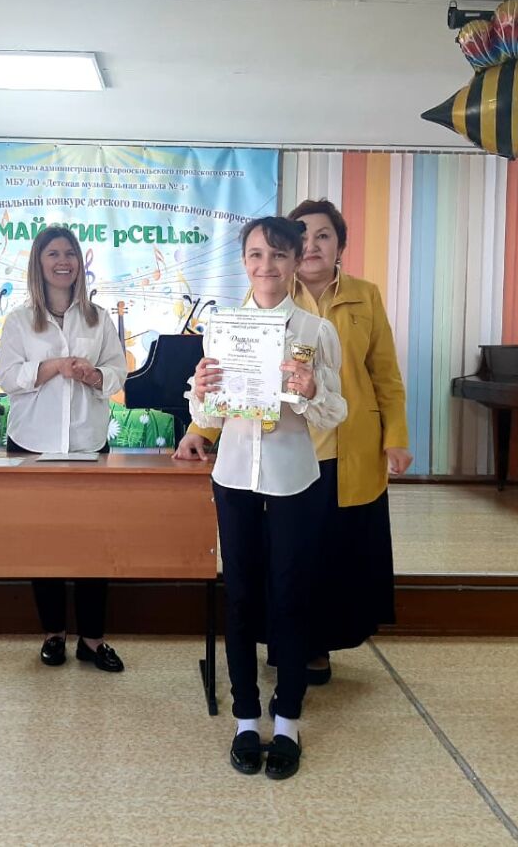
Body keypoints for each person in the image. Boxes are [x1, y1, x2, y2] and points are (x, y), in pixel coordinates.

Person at [176, 198, 410, 684]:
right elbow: (232, 374)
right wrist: (200, 429)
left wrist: (396, 437)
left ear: (339, 245)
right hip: (284, 448)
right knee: (281, 555)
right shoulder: (265, 295)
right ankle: (281, 645)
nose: (313, 244)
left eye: (325, 235)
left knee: (332, 552)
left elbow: (384, 373)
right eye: (304, 236)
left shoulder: (363, 296)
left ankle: (316, 647)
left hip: (346, 445)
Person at [187, 216, 346, 780]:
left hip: (292, 478)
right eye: (256, 254)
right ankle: (245, 717)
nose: (266, 266)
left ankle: (288, 720)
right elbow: (209, 416)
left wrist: (311, 390)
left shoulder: (316, 331)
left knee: (291, 595)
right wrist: (201, 393)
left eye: (279, 254)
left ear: (296, 260)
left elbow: (334, 413)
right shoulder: (222, 328)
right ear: (243, 261)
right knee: (241, 597)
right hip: (233, 476)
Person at [0, 226, 128, 673]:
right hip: (32, 444)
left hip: (88, 443)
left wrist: (95, 376)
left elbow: (118, 372)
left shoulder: (97, 318)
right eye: (53, 253)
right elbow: (8, 378)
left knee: (94, 542)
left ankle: (93, 640)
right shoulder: (19, 320)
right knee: (43, 541)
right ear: (39, 262)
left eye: (70, 253)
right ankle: (53, 633)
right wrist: (53, 366)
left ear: (79, 263)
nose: (63, 261)